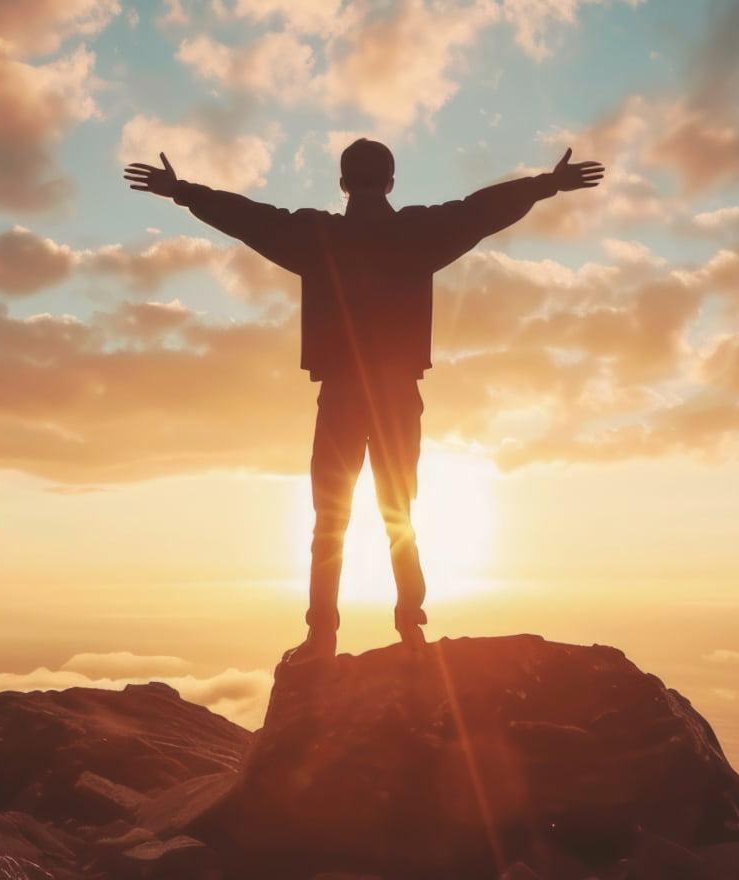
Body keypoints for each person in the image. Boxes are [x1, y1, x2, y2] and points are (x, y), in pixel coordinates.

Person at [126, 139, 603, 663]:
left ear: (343, 183)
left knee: (330, 518)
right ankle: (410, 625)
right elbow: (479, 212)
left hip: (342, 393)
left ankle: (322, 637)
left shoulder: (319, 237)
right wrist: (546, 184)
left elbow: (250, 219)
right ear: (392, 182)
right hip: (398, 392)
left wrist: (182, 192)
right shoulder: (418, 232)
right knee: (399, 511)